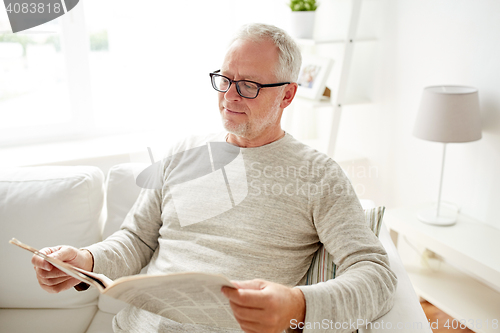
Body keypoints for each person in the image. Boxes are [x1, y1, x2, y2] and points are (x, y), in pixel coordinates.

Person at [32, 23, 397, 333]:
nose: (229, 96)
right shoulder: (183, 153)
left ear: (287, 95)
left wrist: (298, 304)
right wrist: (84, 260)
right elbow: (135, 241)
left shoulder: (317, 174)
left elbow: (376, 276)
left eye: (249, 85)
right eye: (225, 79)